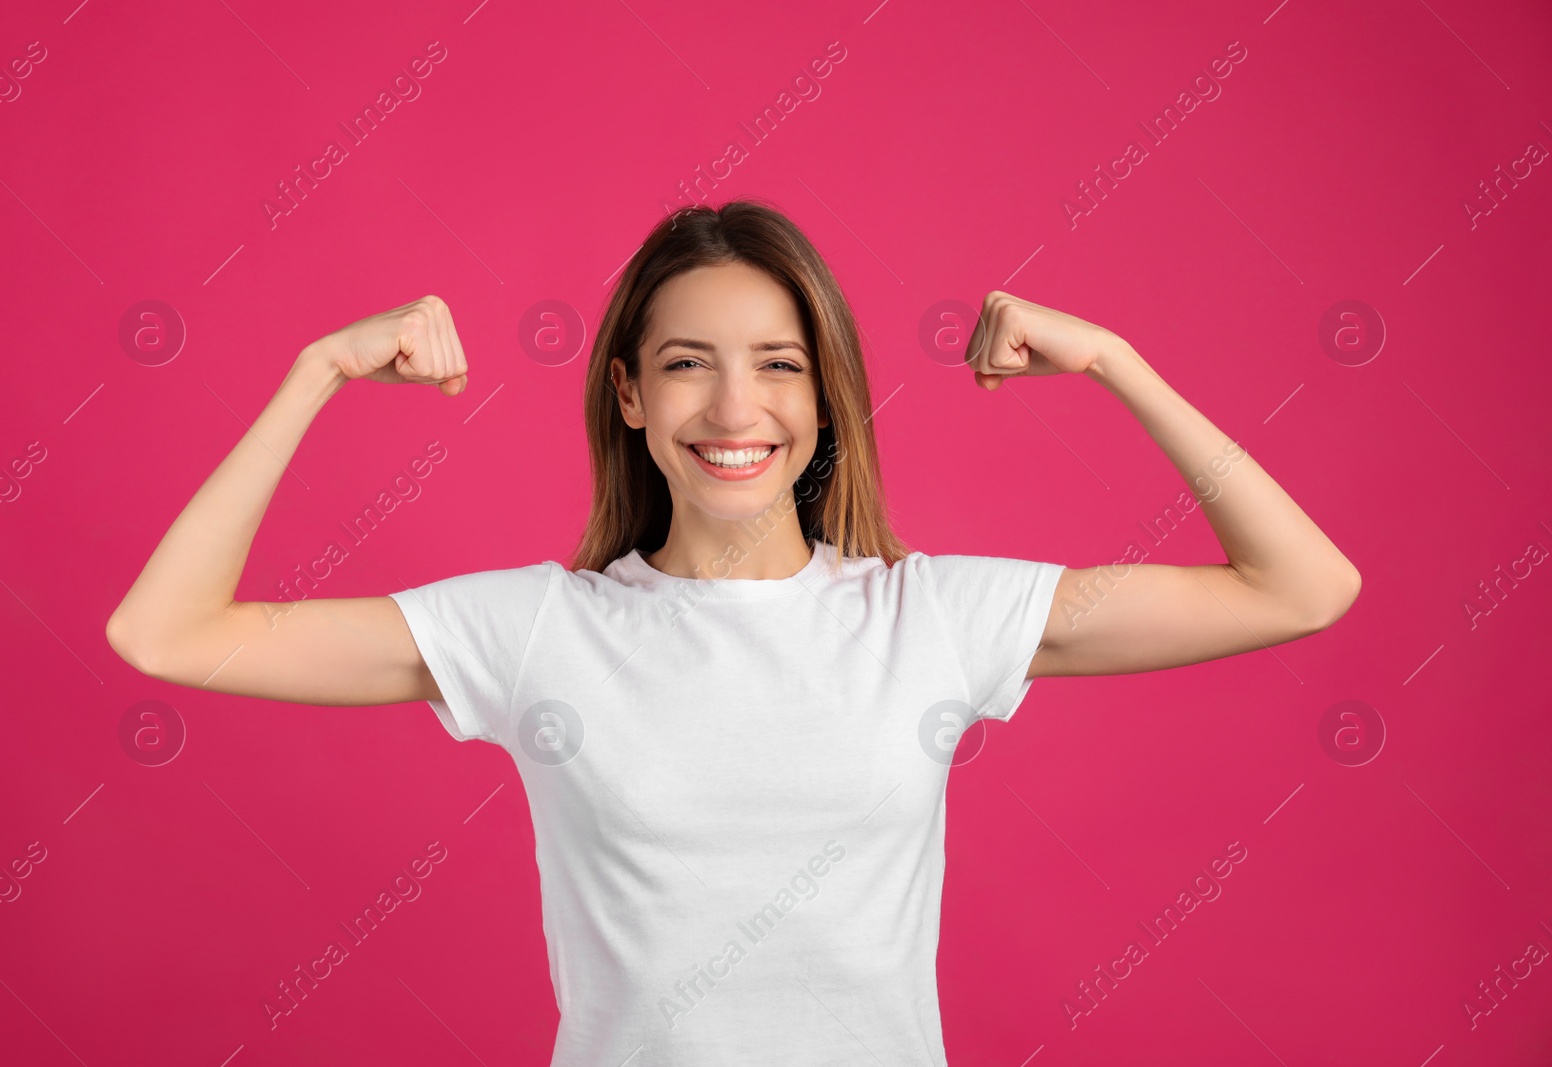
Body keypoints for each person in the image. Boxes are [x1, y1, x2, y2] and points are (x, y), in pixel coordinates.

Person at [106, 199, 1359, 1065]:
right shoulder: (536, 630)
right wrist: (316, 372)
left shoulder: (930, 616)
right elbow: (168, 633)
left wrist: (1115, 361)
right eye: (690, 362)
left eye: (779, 363)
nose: (735, 407)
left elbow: (1298, 585)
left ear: (824, 395)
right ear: (631, 394)